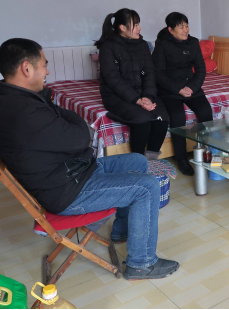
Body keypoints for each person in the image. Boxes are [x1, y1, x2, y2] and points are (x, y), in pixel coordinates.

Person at [0, 39, 179, 280]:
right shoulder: (24, 111)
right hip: (67, 190)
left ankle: (121, 231)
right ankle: (141, 264)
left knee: (137, 161)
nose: (47, 72)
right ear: (26, 68)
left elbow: (68, 126)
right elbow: (82, 135)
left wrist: (54, 106)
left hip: (72, 172)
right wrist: (67, 116)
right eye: (44, 65)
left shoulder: (16, 98)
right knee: (146, 187)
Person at [95, 9, 170, 160]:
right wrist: (137, 100)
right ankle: (138, 162)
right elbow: (112, 79)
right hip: (116, 96)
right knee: (142, 120)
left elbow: (150, 72)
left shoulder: (142, 45)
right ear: (122, 27)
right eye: (135, 25)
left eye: (138, 24)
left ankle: (151, 159)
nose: (139, 28)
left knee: (162, 118)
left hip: (142, 93)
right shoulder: (108, 47)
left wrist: (148, 96)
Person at [152, 12, 213, 176]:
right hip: (170, 89)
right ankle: (181, 159)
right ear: (171, 29)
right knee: (178, 116)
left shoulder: (193, 43)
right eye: (181, 27)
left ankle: (207, 151)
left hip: (191, 86)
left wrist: (192, 87)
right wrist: (177, 89)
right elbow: (158, 73)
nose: (186, 30)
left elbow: (200, 69)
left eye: (186, 26)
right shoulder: (162, 45)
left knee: (206, 111)